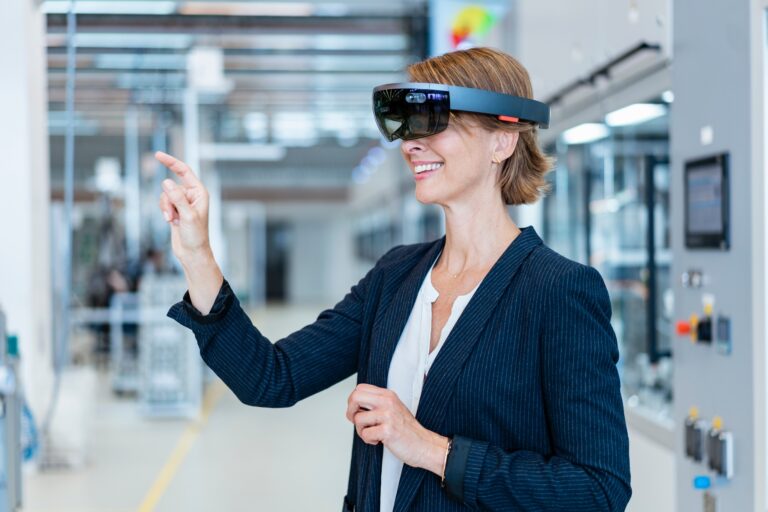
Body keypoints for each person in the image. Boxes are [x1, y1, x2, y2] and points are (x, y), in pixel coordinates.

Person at [156, 47, 631, 512]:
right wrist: (198, 254)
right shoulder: (396, 276)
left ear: (502, 141)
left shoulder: (558, 290)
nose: (410, 144)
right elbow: (271, 377)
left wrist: (430, 449)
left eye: (433, 123)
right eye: (405, 127)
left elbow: (598, 489)